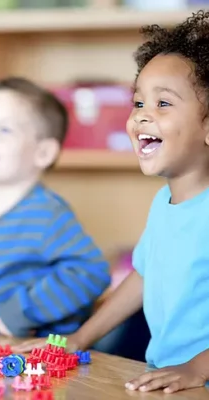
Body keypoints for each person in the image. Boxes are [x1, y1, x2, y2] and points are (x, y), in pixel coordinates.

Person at [13, 10, 209, 394]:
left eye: (163, 104)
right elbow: (143, 275)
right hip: (167, 378)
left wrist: (198, 367)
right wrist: (77, 339)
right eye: (138, 104)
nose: (141, 117)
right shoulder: (163, 203)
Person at [0, 77, 110, 338]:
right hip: (0, 350)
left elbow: (90, 273)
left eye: (4, 130)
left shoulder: (46, 212)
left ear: (43, 153)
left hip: (43, 358)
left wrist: (20, 313)